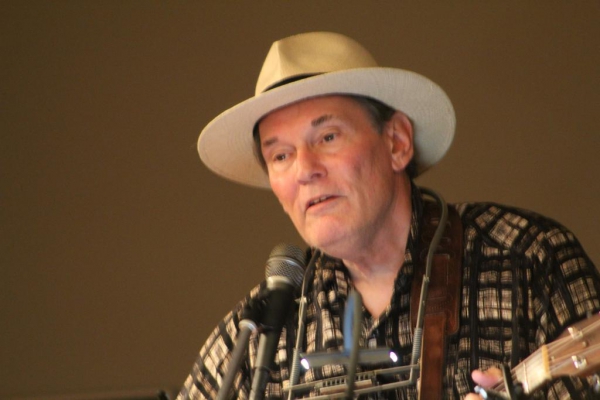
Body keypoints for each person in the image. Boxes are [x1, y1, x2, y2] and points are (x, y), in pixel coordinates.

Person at [177, 32, 600, 399]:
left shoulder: (529, 259)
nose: (305, 169)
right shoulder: (259, 335)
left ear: (397, 142)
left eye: (327, 136)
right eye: (281, 155)